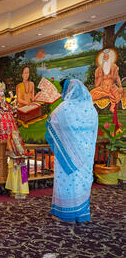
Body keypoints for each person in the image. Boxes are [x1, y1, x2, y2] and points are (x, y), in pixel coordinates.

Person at [45, 79, 98, 222]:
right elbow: (93, 132)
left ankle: (65, 214)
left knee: (67, 182)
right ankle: (81, 213)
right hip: (86, 155)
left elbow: (51, 122)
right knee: (82, 182)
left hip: (67, 154)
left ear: (68, 91)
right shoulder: (91, 109)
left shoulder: (65, 108)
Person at [90, 48, 123, 113]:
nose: (106, 58)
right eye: (104, 57)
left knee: (117, 94)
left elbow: (117, 77)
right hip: (102, 88)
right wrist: (99, 77)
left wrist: (120, 87)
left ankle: (112, 107)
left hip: (112, 87)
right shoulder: (98, 70)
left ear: (110, 57)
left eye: (107, 56)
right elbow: (96, 85)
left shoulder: (114, 67)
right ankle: (107, 95)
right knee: (91, 94)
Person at [5, 129, 29, 199]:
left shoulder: (19, 133)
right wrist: (14, 154)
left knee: (22, 174)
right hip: (15, 158)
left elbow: (21, 143)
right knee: (15, 174)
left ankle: (23, 192)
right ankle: (15, 192)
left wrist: (22, 154)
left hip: (21, 157)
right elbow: (9, 147)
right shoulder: (10, 135)